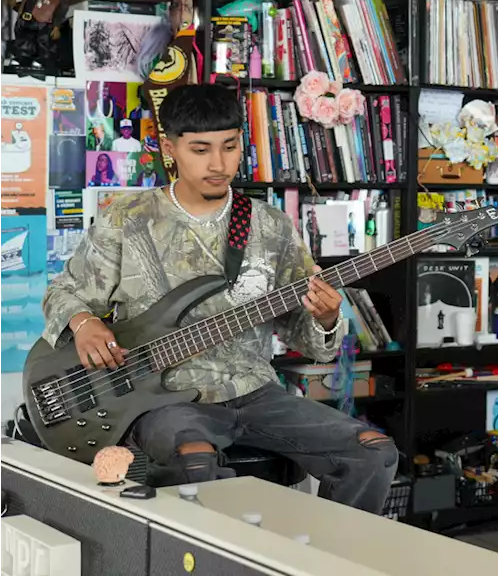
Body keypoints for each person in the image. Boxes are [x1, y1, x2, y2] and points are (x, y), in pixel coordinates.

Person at [41, 83, 398, 514]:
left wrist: (325, 318)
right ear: (169, 148)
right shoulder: (128, 219)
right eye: (200, 150)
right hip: (164, 397)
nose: (218, 164)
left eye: (229, 147)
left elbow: (306, 339)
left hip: (255, 391)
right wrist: (84, 323)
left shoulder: (270, 227)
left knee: (373, 451)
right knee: (195, 461)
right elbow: (63, 293)